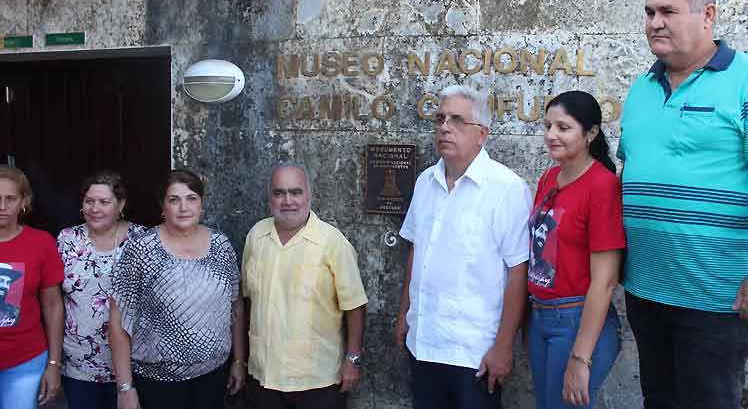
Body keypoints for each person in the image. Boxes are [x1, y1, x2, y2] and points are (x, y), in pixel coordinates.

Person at [618, 0, 748, 409]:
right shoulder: (640, 90)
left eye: (668, 11)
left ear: (706, 14)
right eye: (649, 12)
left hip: (716, 298)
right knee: (660, 401)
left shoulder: (743, 80)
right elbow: (629, 173)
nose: (655, 22)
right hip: (645, 291)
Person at [395, 85, 532, 409]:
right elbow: (417, 251)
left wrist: (503, 346)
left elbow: (518, 271)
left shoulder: (507, 188)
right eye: (440, 118)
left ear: (481, 134)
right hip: (424, 342)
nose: (444, 127)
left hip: (475, 352)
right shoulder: (425, 182)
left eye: (457, 120)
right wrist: (404, 315)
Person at [108, 169, 245, 409]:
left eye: (191, 198)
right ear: (163, 206)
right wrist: (125, 388)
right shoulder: (142, 250)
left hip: (213, 376)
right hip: (158, 381)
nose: (183, 207)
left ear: (202, 204)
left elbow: (236, 306)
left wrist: (238, 360)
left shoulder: (222, 246)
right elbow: (117, 322)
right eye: (174, 199)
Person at [528, 91, 626, 409]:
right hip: (540, 317)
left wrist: (581, 357)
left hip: (574, 321)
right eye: (547, 126)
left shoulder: (602, 186)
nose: (551, 135)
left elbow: (605, 280)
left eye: (563, 127)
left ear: (591, 132)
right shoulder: (549, 178)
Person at [242, 165, 368, 409]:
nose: (288, 201)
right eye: (279, 193)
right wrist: (241, 360)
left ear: (309, 195)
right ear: (270, 197)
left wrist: (353, 359)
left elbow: (355, 306)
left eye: (296, 192)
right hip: (264, 376)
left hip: (317, 380)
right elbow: (248, 299)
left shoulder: (332, 242)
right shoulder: (256, 237)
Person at [57, 171, 146, 409]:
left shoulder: (142, 240)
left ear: (121, 204)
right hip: (79, 363)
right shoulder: (67, 239)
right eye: (89, 201)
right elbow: (54, 298)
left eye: (104, 202)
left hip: (132, 362)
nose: (95, 208)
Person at [0, 165, 64, 409]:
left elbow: (52, 304)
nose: (2, 206)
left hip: (24, 361)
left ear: (23, 202)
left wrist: (54, 364)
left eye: (10, 198)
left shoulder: (40, 243)